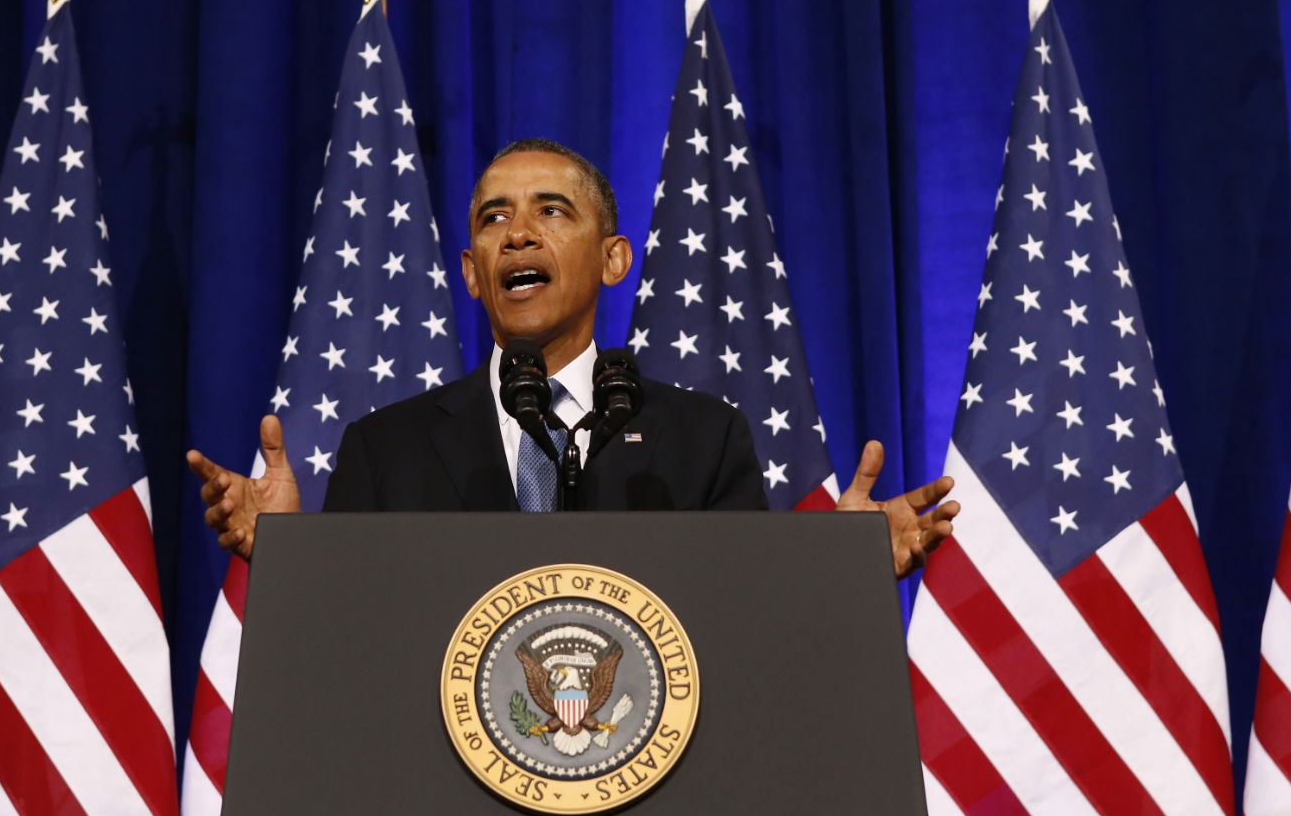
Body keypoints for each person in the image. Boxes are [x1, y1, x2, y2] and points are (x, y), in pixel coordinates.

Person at [188, 139, 958, 576]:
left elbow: (745, 622)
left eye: (551, 211)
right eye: (494, 219)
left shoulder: (702, 439)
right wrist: (288, 559)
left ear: (614, 259)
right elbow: (349, 640)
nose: (519, 234)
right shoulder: (385, 448)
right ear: (471, 273)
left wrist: (841, 572)